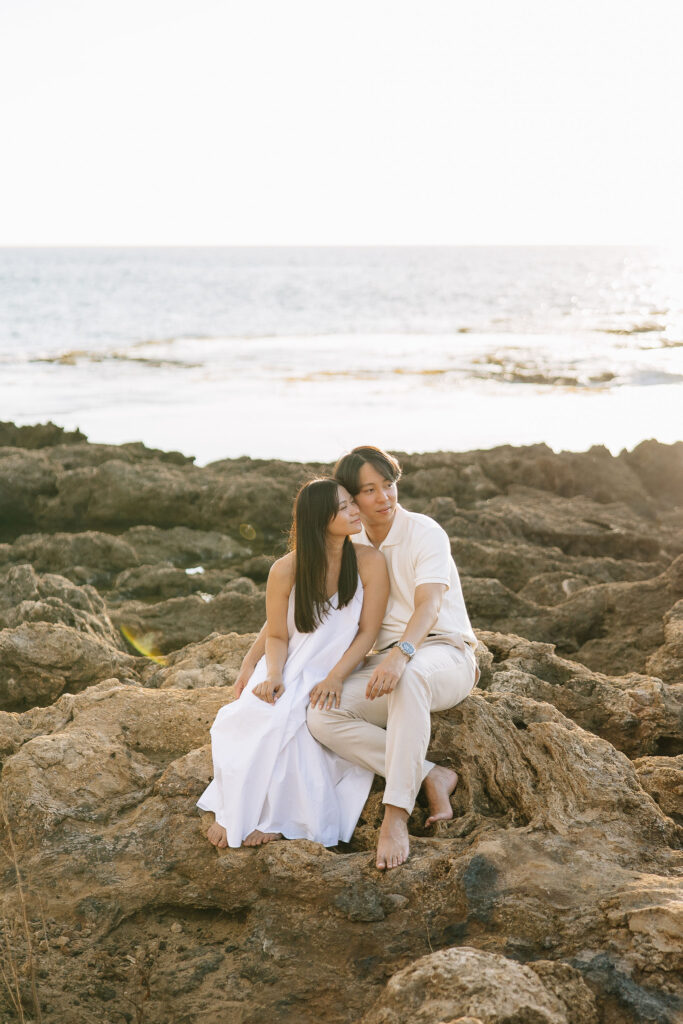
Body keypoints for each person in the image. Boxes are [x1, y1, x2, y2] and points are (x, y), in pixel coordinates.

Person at [307, 446, 479, 870]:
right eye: (370, 489)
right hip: (382, 663)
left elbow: (429, 606)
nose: (385, 497)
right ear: (350, 498)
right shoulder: (352, 543)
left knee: (409, 677)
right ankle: (430, 774)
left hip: (444, 654)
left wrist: (401, 655)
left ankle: (396, 814)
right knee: (321, 715)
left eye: (389, 484)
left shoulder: (424, 531)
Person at [197, 477, 389, 849]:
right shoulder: (285, 569)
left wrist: (334, 678)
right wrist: (269, 674)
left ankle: (277, 819)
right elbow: (277, 634)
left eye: (353, 502)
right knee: (252, 718)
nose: (355, 511)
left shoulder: (369, 561)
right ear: (319, 519)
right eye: (344, 507)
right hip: (288, 662)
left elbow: (367, 633)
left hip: (336, 667)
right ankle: (236, 810)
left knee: (298, 724)